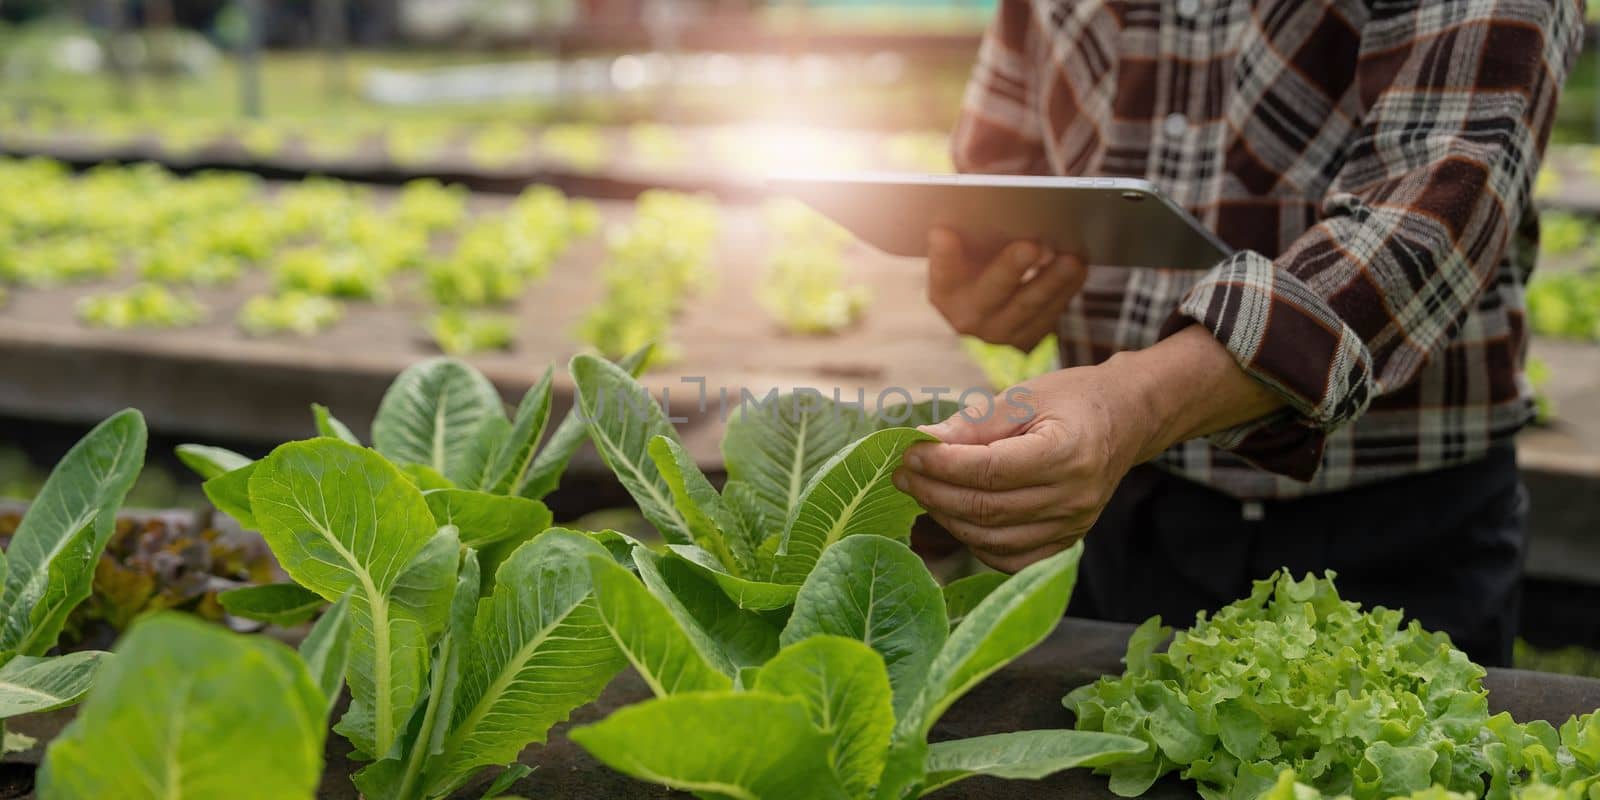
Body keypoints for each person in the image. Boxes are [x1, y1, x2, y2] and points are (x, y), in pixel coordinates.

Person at [893, 0, 1583, 667]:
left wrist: (1134, 403)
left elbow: (1432, 208)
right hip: (1122, 507)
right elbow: (1002, 159)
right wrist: (985, 261)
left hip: (1393, 518)